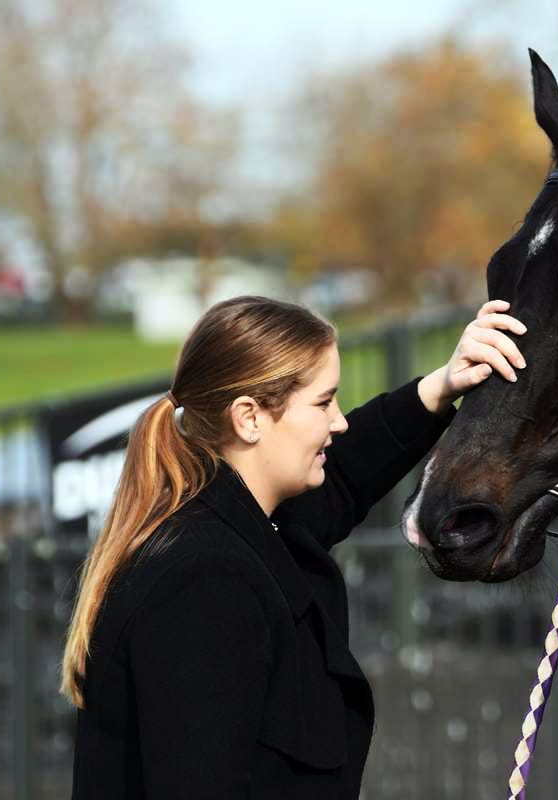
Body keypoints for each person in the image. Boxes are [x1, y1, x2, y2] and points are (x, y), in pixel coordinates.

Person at [61, 295, 526, 799]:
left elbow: (348, 471)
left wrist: (442, 385)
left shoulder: (249, 526)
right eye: (324, 403)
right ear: (250, 418)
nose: (339, 421)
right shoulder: (204, 582)